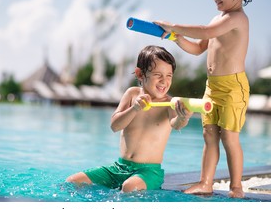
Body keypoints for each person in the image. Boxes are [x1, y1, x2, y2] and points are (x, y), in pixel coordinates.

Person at [154, 0, 255, 198]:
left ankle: (236, 187)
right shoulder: (217, 19)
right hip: (213, 87)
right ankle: (205, 182)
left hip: (233, 88)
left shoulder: (237, 19)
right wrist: (177, 39)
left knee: (229, 137)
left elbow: (207, 32)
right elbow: (199, 48)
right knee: (209, 135)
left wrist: (175, 26)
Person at [66, 45, 193, 192]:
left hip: (149, 172)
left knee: (129, 187)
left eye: (169, 76)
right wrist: (135, 109)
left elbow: (176, 124)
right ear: (140, 74)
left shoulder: (169, 104)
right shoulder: (132, 94)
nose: (164, 81)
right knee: (72, 181)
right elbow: (115, 126)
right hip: (119, 168)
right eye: (158, 75)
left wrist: (184, 117)